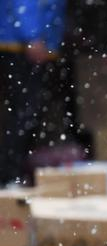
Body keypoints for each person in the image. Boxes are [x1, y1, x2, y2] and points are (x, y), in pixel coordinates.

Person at [0, 0, 66, 185]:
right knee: (26, 112)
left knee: (28, 112)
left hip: (29, 42)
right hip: (21, 44)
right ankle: (9, 175)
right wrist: (32, 36)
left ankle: (15, 173)